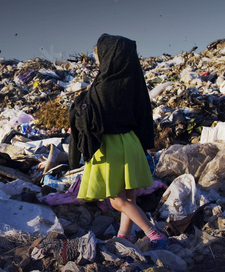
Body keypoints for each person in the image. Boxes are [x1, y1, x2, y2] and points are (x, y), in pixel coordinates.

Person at [68, 33, 167, 249]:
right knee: (129, 198)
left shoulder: (102, 87)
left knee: (116, 200)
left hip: (111, 147)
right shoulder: (133, 83)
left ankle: (153, 233)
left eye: (99, 57)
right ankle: (124, 236)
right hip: (131, 143)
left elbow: (88, 119)